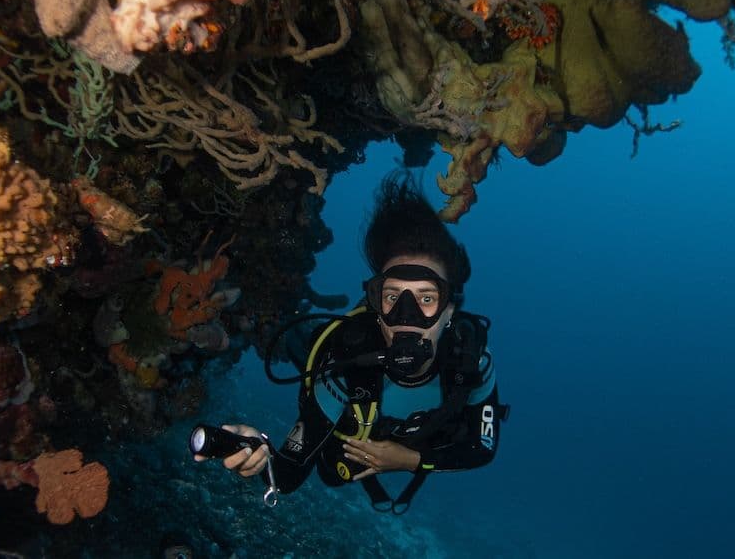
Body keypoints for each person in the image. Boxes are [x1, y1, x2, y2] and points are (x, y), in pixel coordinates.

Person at [201, 172, 507, 512]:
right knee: (331, 467)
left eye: (425, 300)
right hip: (342, 386)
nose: (406, 317)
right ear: (376, 305)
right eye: (392, 297)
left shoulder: (469, 357)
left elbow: (483, 448)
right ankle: (286, 330)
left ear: (450, 310)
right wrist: (256, 454)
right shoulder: (345, 361)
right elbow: (284, 477)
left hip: (414, 444)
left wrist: (411, 460)